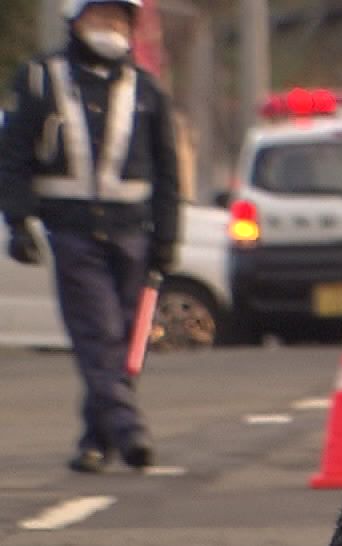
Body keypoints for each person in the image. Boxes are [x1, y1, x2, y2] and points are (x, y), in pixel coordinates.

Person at [0, 0, 179, 473]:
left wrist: (168, 238)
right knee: (97, 332)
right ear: (75, 22)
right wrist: (18, 222)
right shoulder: (40, 78)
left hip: (133, 233)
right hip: (73, 231)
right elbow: (13, 156)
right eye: (99, 18)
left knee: (123, 340)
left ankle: (95, 442)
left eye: (119, 20)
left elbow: (167, 170)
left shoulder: (146, 88)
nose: (109, 28)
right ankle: (129, 429)